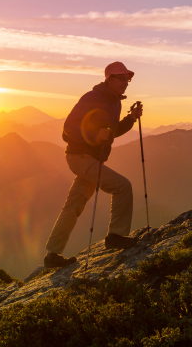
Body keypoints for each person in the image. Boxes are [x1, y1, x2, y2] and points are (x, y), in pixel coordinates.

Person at [44, 61, 143, 268]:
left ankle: (52, 255)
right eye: (122, 78)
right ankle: (116, 236)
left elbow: (112, 132)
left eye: (128, 79)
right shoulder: (93, 97)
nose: (126, 83)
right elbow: (69, 125)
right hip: (79, 157)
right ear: (109, 78)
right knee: (122, 186)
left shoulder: (116, 102)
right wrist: (93, 136)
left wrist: (131, 118)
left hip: (91, 159)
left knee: (73, 206)